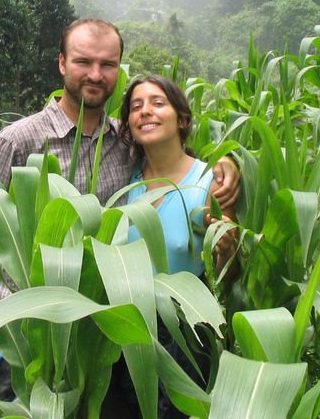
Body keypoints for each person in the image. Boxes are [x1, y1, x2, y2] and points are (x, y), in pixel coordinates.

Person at [0, 18, 240, 419]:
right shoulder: (19, 140)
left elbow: (176, 159)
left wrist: (227, 165)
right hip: (23, 339)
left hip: (95, 344)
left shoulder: (123, 143)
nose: (95, 74)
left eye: (107, 64)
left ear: (117, 70)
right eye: (83, 62)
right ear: (62, 64)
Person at [112, 74, 240, 419]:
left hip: (184, 335)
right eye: (135, 107)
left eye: (157, 103)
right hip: (127, 331)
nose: (145, 112)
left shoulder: (208, 182)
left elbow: (228, 275)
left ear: (181, 118)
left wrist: (227, 249)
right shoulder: (125, 182)